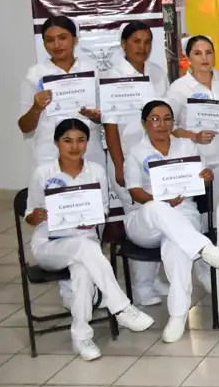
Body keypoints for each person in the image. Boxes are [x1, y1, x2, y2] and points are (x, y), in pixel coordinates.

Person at [24, 120, 155, 360]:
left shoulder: (96, 171)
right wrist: (37, 214)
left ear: (87, 142)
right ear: (57, 143)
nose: (74, 146)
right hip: (50, 245)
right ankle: (122, 307)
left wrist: (93, 220)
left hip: (83, 239)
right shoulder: (44, 173)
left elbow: (103, 210)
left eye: (80, 140)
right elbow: (29, 216)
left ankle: (82, 337)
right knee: (85, 250)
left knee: (83, 270)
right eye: (67, 140)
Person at [123, 101, 219, 343]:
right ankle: (205, 249)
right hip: (145, 219)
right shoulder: (135, 152)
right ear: (144, 124)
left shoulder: (186, 145)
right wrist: (160, 198)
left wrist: (206, 177)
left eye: (167, 118)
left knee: (176, 245)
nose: (161, 124)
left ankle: (177, 315)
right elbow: (134, 192)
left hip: (184, 214)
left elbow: (201, 180)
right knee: (157, 207)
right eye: (154, 119)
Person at [102, 22, 171, 306]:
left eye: (146, 42)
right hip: (125, 156)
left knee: (155, 213)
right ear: (124, 44)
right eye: (136, 41)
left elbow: (164, 115)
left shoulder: (156, 73)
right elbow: (110, 125)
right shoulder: (112, 76)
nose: (141, 47)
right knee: (139, 213)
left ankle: (152, 278)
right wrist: (118, 163)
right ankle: (141, 286)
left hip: (155, 158)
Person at [19, 15, 103, 165]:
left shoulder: (92, 70)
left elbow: (106, 117)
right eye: (50, 40)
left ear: (75, 39)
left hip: (89, 153)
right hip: (49, 155)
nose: (57, 45)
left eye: (62, 38)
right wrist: (36, 108)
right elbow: (24, 127)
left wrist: (94, 116)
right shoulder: (35, 74)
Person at [168, 35, 219, 187]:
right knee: (203, 209)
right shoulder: (178, 88)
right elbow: (168, 127)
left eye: (209, 52)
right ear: (188, 57)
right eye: (197, 53)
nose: (204, 58)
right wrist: (194, 136)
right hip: (196, 161)